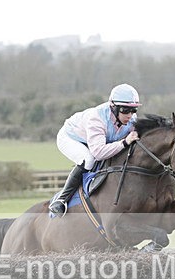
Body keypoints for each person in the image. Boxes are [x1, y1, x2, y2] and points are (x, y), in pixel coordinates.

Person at [48, 83, 142, 216]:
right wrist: (125, 142)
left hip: (96, 141)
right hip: (71, 138)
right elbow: (98, 153)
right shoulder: (97, 119)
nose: (130, 115)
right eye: (125, 110)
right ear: (113, 108)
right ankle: (61, 200)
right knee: (88, 160)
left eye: (133, 110)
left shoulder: (131, 119)